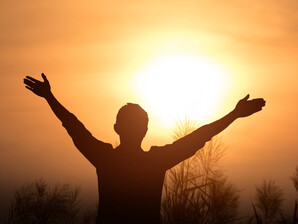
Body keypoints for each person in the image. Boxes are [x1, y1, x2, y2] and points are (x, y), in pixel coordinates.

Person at [23, 73, 266, 224]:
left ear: (117, 128)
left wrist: (50, 98)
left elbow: (73, 126)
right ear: (145, 130)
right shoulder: (155, 161)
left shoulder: (105, 158)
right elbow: (199, 137)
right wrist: (233, 115)